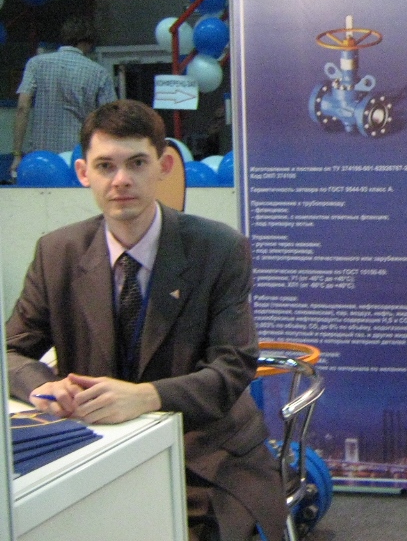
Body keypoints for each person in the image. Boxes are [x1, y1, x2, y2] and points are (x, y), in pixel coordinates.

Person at [5, 99, 286, 541]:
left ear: (164, 166)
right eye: (105, 166)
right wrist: (44, 386)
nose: (121, 180)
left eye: (137, 163)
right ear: (83, 173)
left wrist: (147, 397)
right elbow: (11, 351)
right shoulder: (57, 252)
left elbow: (232, 368)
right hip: (96, 449)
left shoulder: (219, 249)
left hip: (206, 458)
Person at [10, 14, 117, 178]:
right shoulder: (99, 73)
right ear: (88, 42)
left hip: (40, 158)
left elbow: (23, 107)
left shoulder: (36, 64)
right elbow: (111, 119)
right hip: (79, 159)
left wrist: (17, 154)